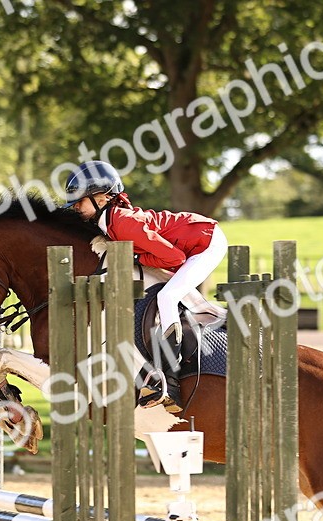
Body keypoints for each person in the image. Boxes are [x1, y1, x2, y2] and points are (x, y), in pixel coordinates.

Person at [64, 161, 229, 407]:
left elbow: (175, 258)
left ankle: (168, 379)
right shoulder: (109, 222)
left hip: (206, 243)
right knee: (171, 293)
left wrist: (136, 258)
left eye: (80, 200)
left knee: (168, 297)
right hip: (192, 242)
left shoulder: (121, 222)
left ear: (101, 198)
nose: (75, 207)